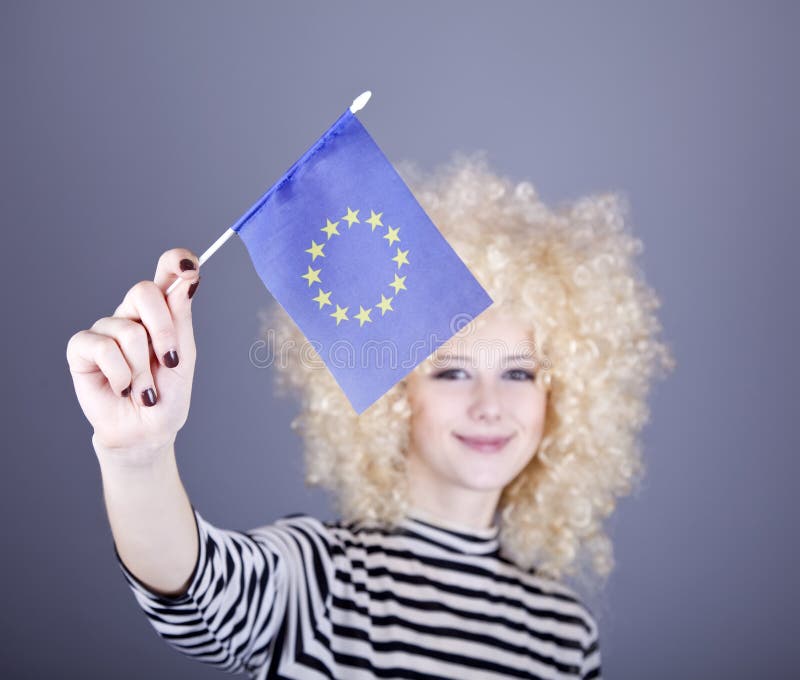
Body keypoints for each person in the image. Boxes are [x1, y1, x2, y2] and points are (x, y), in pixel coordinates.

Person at [66, 155, 673, 679]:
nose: (490, 405)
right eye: (452, 371)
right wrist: (138, 457)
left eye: (518, 373)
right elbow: (195, 591)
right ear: (395, 395)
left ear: (559, 394)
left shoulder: (564, 636)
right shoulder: (319, 579)